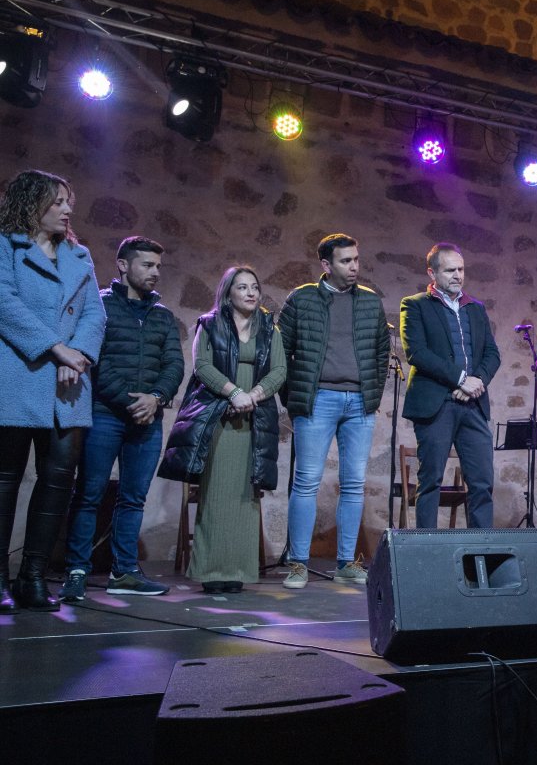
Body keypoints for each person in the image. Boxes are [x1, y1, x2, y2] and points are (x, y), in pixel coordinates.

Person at [0, 170, 104, 613]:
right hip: (18, 374)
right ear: (32, 202)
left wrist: (76, 354)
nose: (67, 209)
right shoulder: (7, 246)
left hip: (70, 384)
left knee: (59, 480)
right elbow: (4, 304)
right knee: (4, 482)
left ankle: (34, 577)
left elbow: (95, 315)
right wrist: (56, 349)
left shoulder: (80, 256)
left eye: (69, 201)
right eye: (58, 201)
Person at [60, 237, 185, 602]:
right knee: (89, 494)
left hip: (147, 420)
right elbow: (96, 361)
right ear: (123, 265)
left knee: (133, 499)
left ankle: (124, 572)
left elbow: (174, 364)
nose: (155, 272)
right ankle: (76, 571)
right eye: (147, 265)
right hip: (105, 416)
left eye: (158, 266)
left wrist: (157, 398)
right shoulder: (100, 307)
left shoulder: (162, 315)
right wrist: (133, 401)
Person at [158, 267, 286, 593]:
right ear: (228, 292)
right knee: (216, 494)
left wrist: (253, 395)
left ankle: (240, 570)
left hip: (253, 418)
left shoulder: (270, 330)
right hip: (218, 415)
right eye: (242, 287)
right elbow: (202, 366)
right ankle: (213, 571)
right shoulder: (209, 324)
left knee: (246, 496)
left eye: (255, 286)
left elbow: (279, 370)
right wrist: (233, 393)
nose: (250, 292)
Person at [279, 234, 390, 588]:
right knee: (307, 481)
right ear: (326, 265)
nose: (354, 266)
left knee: (354, 484)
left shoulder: (371, 303)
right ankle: (297, 563)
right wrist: (294, 396)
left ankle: (346, 562)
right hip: (317, 400)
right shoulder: (302, 298)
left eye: (356, 259)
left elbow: (382, 354)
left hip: (359, 403)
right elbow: (281, 352)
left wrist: (370, 396)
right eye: (346, 261)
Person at [399, 242, 500, 529]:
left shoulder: (475, 308)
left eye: (461, 269)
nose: (457, 275)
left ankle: (482, 552)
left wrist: (477, 380)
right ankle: (427, 551)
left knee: (482, 481)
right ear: (432, 273)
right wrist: (460, 379)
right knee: (430, 480)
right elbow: (416, 352)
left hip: (474, 405)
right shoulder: (415, 304)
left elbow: (492, 354)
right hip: (437, 405)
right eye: (450, 270)